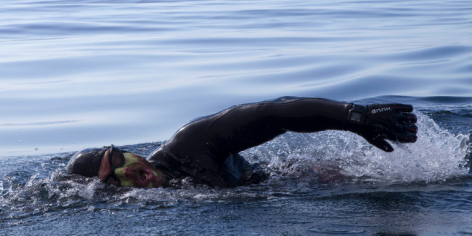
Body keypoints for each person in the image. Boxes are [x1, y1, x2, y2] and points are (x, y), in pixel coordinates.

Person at [66, 97, 418, 188]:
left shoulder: (190, 145)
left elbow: (271, 114)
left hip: (293, 180)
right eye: (114, 174)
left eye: (119, 156)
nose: (128, 168)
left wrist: (353, 118)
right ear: (110, 190)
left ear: (131, 151)